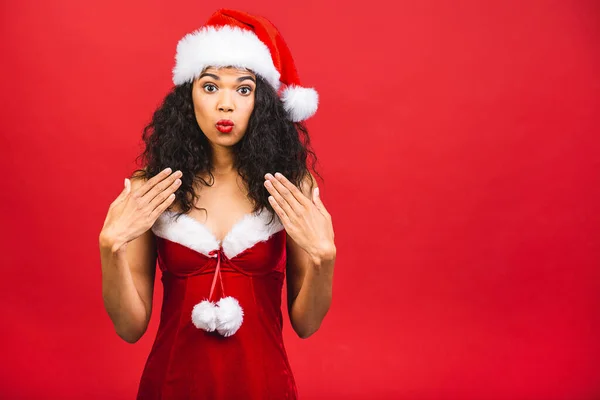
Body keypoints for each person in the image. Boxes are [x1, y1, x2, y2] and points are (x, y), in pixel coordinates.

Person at [98, 8, 336, 399]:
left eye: (243, 89)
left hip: (264, 385)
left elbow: (306, 323)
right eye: (210, 87)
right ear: (187, 95)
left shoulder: (290, 187)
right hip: (171, 384)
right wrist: (110, 247)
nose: (225, 104)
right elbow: (129, 328)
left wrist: (324, 258)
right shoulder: (152, 189)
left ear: (261, 102)